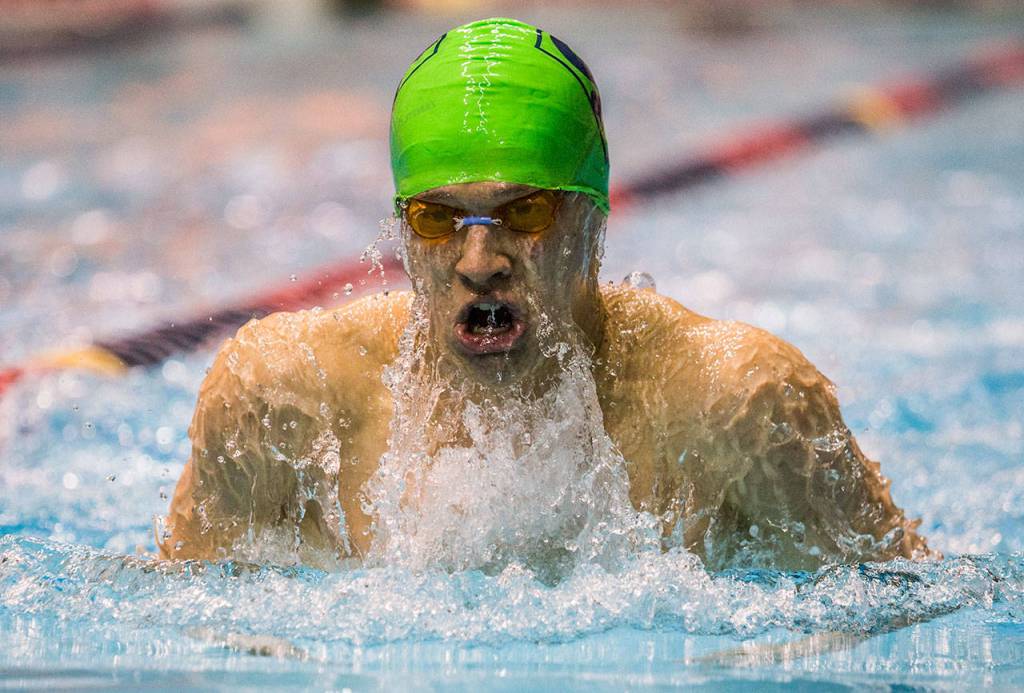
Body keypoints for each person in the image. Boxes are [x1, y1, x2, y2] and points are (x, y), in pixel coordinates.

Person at [160, 18, 932, 572]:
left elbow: (908, 616)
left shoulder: (735, 402)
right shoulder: (281, 397)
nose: (479, 260)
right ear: (399, 226)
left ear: (595, 216)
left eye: (524, 211)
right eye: (435, 218)